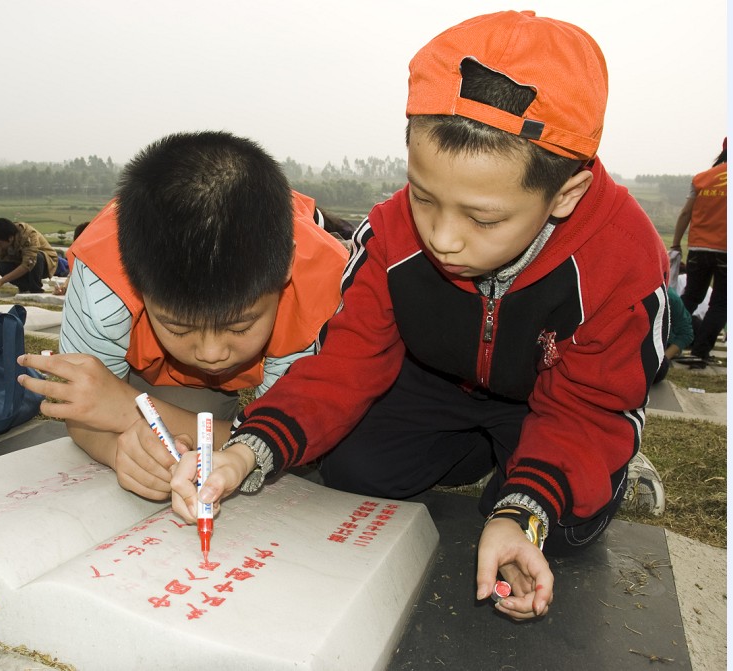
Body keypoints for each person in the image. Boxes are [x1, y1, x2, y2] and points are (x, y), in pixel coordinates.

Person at [171, 11, 670, 623]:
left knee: (557, 524)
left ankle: (548, 472)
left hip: (552, 398)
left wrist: (521, 512)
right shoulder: (389, 233)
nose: (442, 238)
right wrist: (247, 451)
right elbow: (347, 361)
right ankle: (476, 452)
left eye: (482, 219)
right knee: (356, 468)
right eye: (424, 196)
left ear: (565, 195)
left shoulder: (622, 260)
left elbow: (590, 404)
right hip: (435, 377)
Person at [16, 131, 349, 501]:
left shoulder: (319, 289)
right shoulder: (104, 284)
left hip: (191, 391)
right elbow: (84, 413)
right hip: (154, 374)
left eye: (240, 326)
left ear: (286, 267)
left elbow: (284, 434)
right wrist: (119, 453)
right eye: (178, 326)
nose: (211, 353)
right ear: (134, 278)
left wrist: (127, 408)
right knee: (178, 433)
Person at [670, 139, 726, 369]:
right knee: (721, 303)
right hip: (726, 250)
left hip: (698, 248)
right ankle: (701, 352)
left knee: (691, 296)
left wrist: (675, 244)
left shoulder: (702, 178)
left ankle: (665, 336)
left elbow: (685, 214)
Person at [0, 218, 58, 295]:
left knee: (37, 257)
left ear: (10, 238)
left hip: (44, 265)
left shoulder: (28, 234)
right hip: (19, 263)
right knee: (1, 267)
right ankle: (25, 288)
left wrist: (0, 281)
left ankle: (36, 290)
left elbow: (28, 264)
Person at [654, 287, 694, 384]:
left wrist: (664, 359)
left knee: (658, 372)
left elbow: (686, 334)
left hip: (658, 348)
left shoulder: (670, 297)